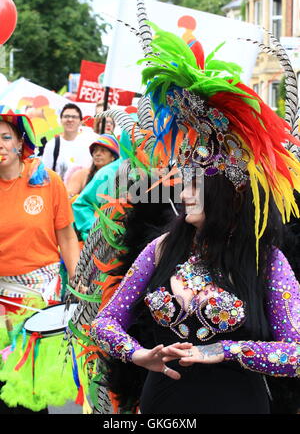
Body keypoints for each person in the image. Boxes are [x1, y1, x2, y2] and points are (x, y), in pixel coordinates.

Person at [90, 23, 300, 414]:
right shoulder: (161, 248)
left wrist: (227, 350)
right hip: (163, 405)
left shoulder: (267, 262)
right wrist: (139, 355)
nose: (182, 195)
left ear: (225, 193)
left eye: (193, 186)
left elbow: (296, 353)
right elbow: (105, 323)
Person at [0, 113, 82, 412]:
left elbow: (68, 237)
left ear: (21, 142)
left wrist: (77, 285)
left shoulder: (47, 182)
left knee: (29, 392)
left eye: (6, 137)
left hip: (37, 299)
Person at [42, 103, 97, 180]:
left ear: (81, 122)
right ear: (61, 120)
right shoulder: (52, 145)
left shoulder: (89, 142)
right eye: (66, 116)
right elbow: (45, 174)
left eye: (74, 117)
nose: (70, 120)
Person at [65, 134, 120, 199]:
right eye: (95, 150)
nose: (97, 154)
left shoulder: (120, 178)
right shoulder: (81, 175)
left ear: (113, 157)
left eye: (103, 150)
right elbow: (67, 198)